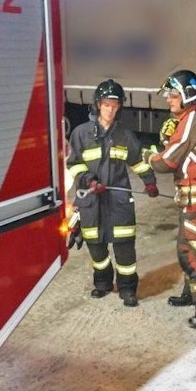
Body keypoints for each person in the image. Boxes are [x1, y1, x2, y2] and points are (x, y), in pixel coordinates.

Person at [67, 78, 160, 307]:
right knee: (96, 247)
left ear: (119, 107)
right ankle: (103, 283)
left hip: (119, 201)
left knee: (124, 248)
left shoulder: (125, 136)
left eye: (115, 105)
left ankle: (128, 289)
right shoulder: (81, 134)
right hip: (90, 200)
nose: (110, 109)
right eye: (107, 104)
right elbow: (74, 164)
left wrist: (149, 182)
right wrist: (88, 180)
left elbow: (138, 161)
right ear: (98, 104)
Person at [144, 69, 196, 328]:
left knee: (190, 251)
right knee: (188, 249)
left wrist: (148, 156)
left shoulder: (191, 120)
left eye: (173, 94)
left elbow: (167, 162)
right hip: (194, 197)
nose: (169, 99)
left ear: (188, 95)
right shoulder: (191, 119)